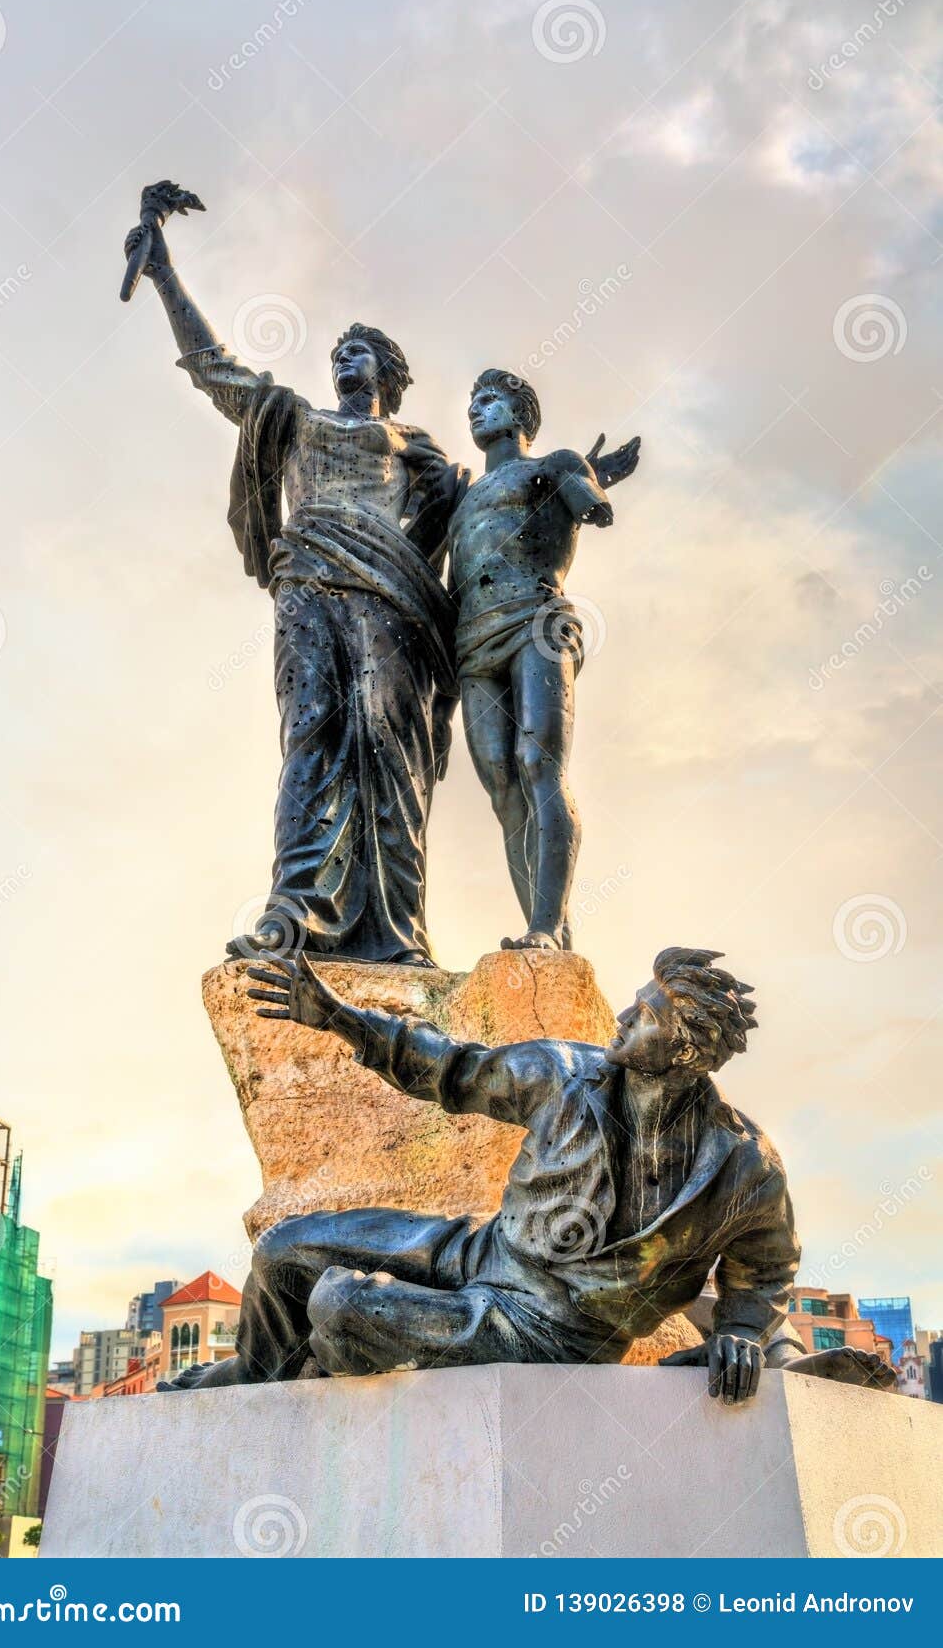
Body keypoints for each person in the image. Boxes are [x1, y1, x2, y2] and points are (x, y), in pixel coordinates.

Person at [163, 946, 826, 1406]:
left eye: (647, 1015)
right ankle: (254, 1372)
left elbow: (766, 1265)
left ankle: (336, 1355)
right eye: (635, 1003)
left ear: (685, 1048)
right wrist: (341, 1017)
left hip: (553, 1330)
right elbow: (453, 1068)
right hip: (481, 1250)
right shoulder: (567, 1073)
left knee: (341, 1306)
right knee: (283, 1251)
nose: (624, 1019)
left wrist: (741, 1329)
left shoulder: (742, 1164)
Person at [124, 186, 464, 966]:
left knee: (388, 747)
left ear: (388, 371)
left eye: (359, 351)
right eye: (338, 352)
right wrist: (165, 275)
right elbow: (216, 373)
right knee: (312, 733)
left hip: (389, 597)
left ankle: (398, 930)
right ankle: (296, 912)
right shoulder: (295, 418)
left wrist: (533, 490)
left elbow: (455, 523)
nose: (343, 359)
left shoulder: (414, 443)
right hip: (308, 582)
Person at [447, 369, 639, 949]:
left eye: (490, 400)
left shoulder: (554, 463)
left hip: (538, 619)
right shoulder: (462, 497)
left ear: (521, 414)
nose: (476, 410)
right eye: (472, 402)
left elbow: (590, 505)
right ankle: (548, 922)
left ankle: (545, 927)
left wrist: (585, 477)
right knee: (503, 789)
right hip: (473, 641)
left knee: (538, 762)